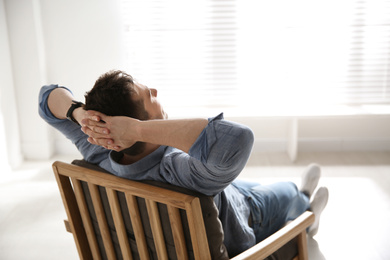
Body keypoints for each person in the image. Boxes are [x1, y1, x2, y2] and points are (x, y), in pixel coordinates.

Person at [39, 70, 329, 257]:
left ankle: (294, 202)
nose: (155, 91)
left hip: (222, 191)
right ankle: (307, 211)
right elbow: (240, 139)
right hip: (243, 214)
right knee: (287, 191)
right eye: (147, 96)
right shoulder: (180, 172)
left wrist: (79, 114)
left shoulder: (97, 149)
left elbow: (46, 97)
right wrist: (138, 130)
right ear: (132, 126)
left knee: (238, 182)